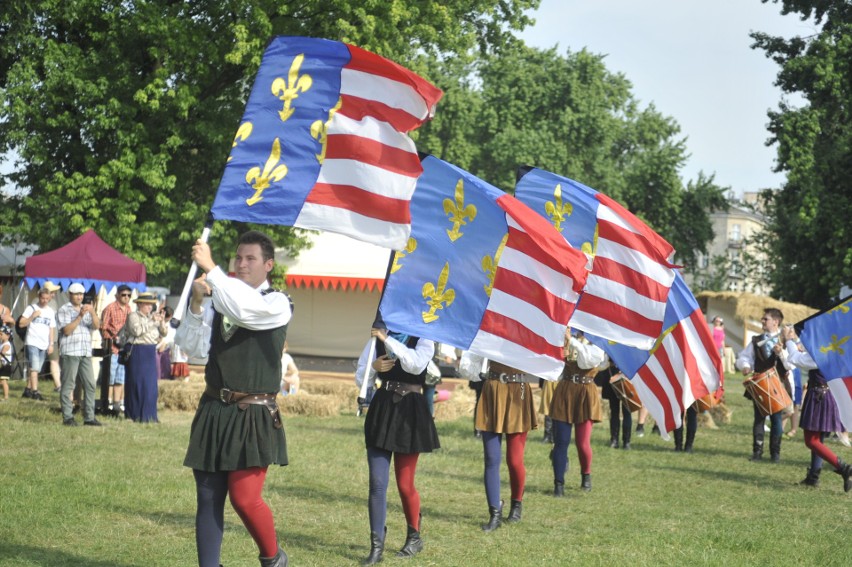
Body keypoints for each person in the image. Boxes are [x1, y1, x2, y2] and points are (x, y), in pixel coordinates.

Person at [175, 230, 291, 567]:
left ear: (268, 265)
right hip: (214, 407)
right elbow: (193, 350)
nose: (241, 264)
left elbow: (246, 310)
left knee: (244, 498)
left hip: (254, 411)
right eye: (237, 257)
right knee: (208, 497)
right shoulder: (218, 298)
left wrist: (212, 270)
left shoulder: (278, 302)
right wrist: (197, 303)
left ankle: (273, 559)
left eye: (250, 258)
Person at [357, 326, 439, 564]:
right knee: (377, 483)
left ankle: (414, 536)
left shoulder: (425, 335)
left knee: (405, 484)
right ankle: (376, 546)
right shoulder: (378, 336)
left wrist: (387, 340)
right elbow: (361, 378)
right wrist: (373, 369)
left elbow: (415, 364)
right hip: (382, 408)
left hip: (410, 411)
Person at [459, 351, 537, 531]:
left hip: (519, 390)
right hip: (493, 389)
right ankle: (495, 512)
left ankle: (516, 504)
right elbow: (468, 361)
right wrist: (477, 372)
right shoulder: (489, 326)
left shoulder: (527, 326)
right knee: (491, 459)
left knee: (515, 460)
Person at [781, 326, 851, 491]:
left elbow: (796, 359)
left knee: (811, 441)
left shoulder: (823, 352)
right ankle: (813, 477)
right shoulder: (834, 349)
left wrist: (789, 340)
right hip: (825, 394)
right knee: (817, 440)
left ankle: (844, 467)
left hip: (819, 396)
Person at [550, 329, 606, 494]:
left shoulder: (597, 341)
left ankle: (586, 475)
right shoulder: (567, 335)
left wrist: (572, 342)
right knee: (561, 442)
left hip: (585, 392)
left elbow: (586, 362)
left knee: (582, 443)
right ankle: (558, 484)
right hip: (565, 389)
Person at [736, 308, 788, 462]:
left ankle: (775, 454)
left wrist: (781, 353)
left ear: (775, 322)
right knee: (759, 418)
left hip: (777, 384)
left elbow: (791, 363)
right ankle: (757, 452)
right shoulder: (756, 340)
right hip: (760, 383)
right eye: (763, 318)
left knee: (776, 419)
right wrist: (745, 366)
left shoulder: (784, 341)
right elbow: (744, 357)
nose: (762, 321)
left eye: (766, 319)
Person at [57, 282, 101, 426]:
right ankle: (68, 417)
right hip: (70, 352)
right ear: (70, 295)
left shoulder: (86, 309)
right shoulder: (64, 309)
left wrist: (93, 312)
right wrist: (79, 316)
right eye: (76, 294)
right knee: (68, 385)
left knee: (90, 384)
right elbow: (66, 331)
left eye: (81, 294)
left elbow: (96, 326)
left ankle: (89, 417)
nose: (79, 297)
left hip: (85, 352)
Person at [123, 292, 167, 422]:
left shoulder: (151, 317)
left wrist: (162, 321)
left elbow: (163, 333)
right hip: (137, 350)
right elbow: (136, 331)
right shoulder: (133, 316)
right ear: (140, 304)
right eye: (148, 304)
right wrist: (152, 321)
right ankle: (135, 414)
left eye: (151, 305)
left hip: (149, 351)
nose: (150, 307)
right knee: (136, 383)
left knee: (150, 385)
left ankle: (149, 415)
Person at [18, 285, 58, 400]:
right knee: (34, 368)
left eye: (47, 298)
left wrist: (51, 344)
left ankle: (27, 390)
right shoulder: (31, 308)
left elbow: (52, 328)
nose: (44, 301)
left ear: (50, 298)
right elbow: (21, 323)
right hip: (32, 341)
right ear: (39, 297)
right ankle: (35, 392)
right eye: (42, 298)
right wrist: (32, 317)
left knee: (35, 369)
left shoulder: (50, 311)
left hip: (44, 343)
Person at [100, 284, 133, 412]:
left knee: (121, 378)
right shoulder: (110, 308)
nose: (126, 297)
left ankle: (117, 404)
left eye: (129, 295)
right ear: (117, 295)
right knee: (110, 377)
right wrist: (112, 338)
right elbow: (103, 327)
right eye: (123, 295)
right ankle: (107, 402)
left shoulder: (130, 310)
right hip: (112, 348)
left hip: (124, 350)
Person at [598, 364, 632, 450]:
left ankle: (626, 441)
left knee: (627, 412)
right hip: (612, 375)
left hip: (627, 376)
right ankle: (614, 440)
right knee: (614, 411)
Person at [157, 306, 175, 379]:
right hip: (159, 349)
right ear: (170, 316)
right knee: (161, 369)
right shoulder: (158, 322)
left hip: (164, 348)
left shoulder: (170, 325)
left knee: (164, 369)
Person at [0, 325, 13, 400]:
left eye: (1, 334)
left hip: (5, 366)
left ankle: (6, 397)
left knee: (4, 381)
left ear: (7, 335)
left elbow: (2, 354)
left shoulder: (7, 345)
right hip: (1, 365)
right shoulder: (1, 344)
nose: (0, 336)